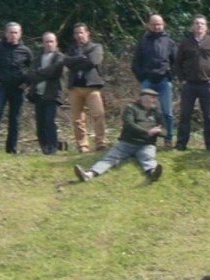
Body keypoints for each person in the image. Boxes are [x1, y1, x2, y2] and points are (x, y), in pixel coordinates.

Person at [73, 89, 165, 183]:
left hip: (146, 144)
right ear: (143, 97)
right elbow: (129, 124)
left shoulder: (157, 113)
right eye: (152, 98)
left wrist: (158, 131)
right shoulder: (131, 108)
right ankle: (89, 175)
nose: (155, 101)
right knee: (110, 158)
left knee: (148, 158)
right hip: (127, 143)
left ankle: (153, 173)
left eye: (156, 98)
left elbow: (164, 130)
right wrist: (147, 132)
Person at [174, 14, 210, 151]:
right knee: (185, 115)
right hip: (189, 84)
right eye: (196, 23)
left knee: (209, 116)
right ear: (192, 26)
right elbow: (177, 62)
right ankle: (181, 144)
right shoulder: (185, 42)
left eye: (202, 23)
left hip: (207, 84)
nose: (199, 25)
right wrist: (182, 79)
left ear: (206, 27)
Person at [131, 14, 177, 148]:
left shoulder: (169, 42)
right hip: (148, 82)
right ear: (148, 25)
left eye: (159, 24)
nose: (156, 27)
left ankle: (168, 138)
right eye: (154, 24)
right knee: (145, 112)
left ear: (163, 25)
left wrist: (170, 75)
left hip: (164, 82)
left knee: (167, 112)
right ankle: (146, 137)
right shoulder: (143, 42)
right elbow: (135, 64)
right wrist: (142, 78)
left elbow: (176, 62)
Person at [0, 22, 32, 154]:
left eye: (16, 32)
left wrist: (26, 83)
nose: (13, 35)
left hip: (17, 89)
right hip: (1, 88)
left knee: (15, 118)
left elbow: (34, 69)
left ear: (20, 34)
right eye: (11, 32)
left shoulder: (25, 51)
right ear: (6, 33)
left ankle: (11, 149)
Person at [63, 22, 106, 153]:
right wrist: (80, 59)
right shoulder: (71, 49)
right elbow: (66, 62)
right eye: (76, 33)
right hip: (75, 87)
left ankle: (101, 143)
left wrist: (76, 62)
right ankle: (82, 145)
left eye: (81, 32)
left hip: (92, 87)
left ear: (87, 33)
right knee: (78, 119)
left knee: (98, 114)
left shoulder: (96, 47)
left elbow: (93, 62)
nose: (79, 35)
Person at [26, 31, 64, 155]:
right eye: (46, 41)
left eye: (51, 41)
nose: (49, 44)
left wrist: (39, 72)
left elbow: (55, 72)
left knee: (50, 122)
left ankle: (53, 148)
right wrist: (43, 74)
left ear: (56, 43)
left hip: (52, 95)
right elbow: (31, 75)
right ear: (42, 43)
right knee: (40, 124)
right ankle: (44, 148)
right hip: (38, 95)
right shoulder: (37, 58)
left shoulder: (59, 57)